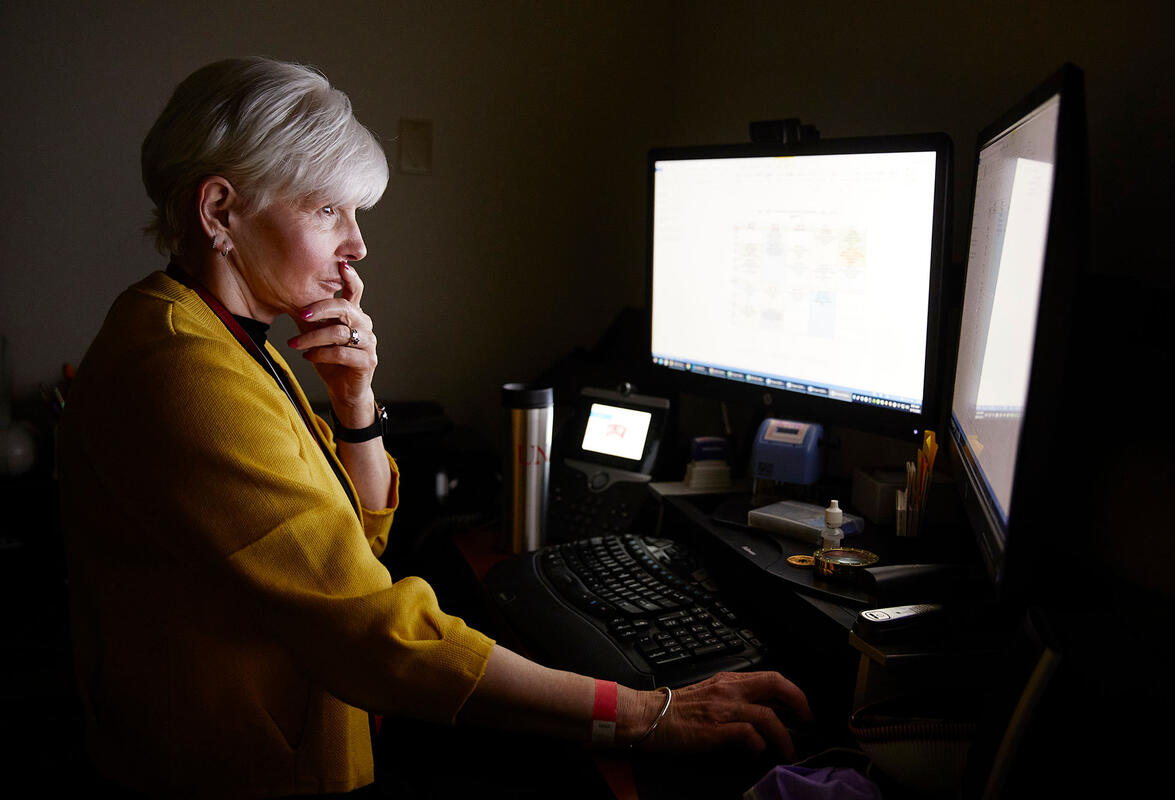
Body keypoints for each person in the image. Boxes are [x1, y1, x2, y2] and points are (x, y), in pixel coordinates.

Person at [57, 57, 812, 798]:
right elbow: (371, 634)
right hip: (239, 778)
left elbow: (357, 542)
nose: (357, 245)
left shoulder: (222, 333)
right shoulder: (186, 371)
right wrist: (648, 715)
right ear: (220, 211)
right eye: (327, 211)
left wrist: (355, 402)